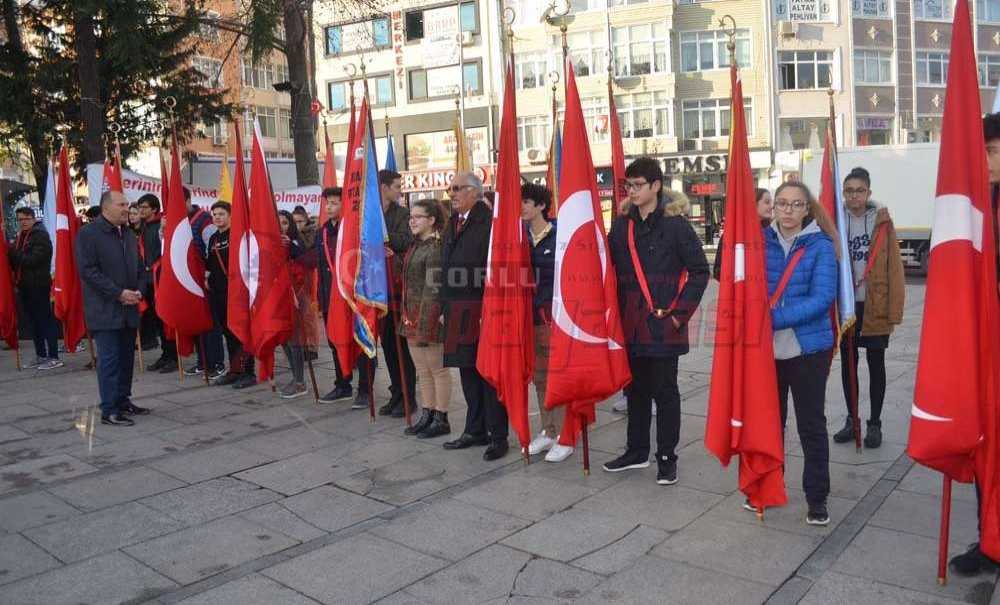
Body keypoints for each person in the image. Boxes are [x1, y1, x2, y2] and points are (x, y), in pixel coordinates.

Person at [603, 157, 710, 484]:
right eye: (628, 186)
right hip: (631, 324)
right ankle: (636, 451)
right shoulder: (622, 224)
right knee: (634, 391)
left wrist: (679, 315)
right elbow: (609, 267)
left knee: (665, 392)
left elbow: (700, 271)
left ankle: (666, 457)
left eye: (638, 185)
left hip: (665, 324)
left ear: (655, 186)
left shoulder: (675, 224)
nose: (632, 191)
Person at [764, 181, 838, 526]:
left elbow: (822, 299)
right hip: (767, 350)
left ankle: (817, 498)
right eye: (782, 203)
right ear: (773, 207)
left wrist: (771, 318)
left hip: (808, 348)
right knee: (769, 424)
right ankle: (770, 486)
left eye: (796, 204)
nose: (788, 210)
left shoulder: (821, 245)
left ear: (807, 209)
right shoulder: (760, 241)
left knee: (810, 425)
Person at [949, 113, 1000, 576]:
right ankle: (990, 539)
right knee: (985, 442)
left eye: (990, 151)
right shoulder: (978, 205)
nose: (983, 161)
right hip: (986, 348)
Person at [832, 167, 905, 449]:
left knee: (876, 364)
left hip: (875, 304)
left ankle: (875, 423)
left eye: (859, 190)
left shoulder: (882, 222)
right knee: (848, 364)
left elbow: (894, 268)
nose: (854, 196)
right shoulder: (837, 222)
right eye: (849, 191)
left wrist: (894, 309)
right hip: (848, 306)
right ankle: (853, 420)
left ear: (869, 193)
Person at [441, 172, 509, 461]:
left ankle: (498, 435)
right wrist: (445, 308)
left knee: (489, 375)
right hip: (457, 311)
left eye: (457, 189)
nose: (452, 194)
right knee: (468, 372)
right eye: (450, 189)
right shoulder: (453, 222)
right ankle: (475, 429)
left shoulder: (489, 223)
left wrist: (488, 310)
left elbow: (495, 271)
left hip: (482, 311)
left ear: (475, 191)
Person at [75, 191, 149, 426]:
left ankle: (123, 400)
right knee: (109, 360)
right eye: (122, 204)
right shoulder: (89, 233)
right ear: (106, 208)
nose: (127, 208)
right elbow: (88, 271)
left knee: (127, 359)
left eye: (127, 204)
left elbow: (139, 267)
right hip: (105, 310)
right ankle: (109, 409)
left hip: (129, 308)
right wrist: (118, 293)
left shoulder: (127, 233)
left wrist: (139, 290)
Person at [521, 183, 575, 463]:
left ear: (542, 205)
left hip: (554, 319)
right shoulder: (519, 237)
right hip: (528, 319)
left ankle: (566, 435)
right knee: (539, 378)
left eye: (527, 201)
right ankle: (548, 429)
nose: (522, 207)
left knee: (559, 377)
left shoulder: (559, 236)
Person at [314, 187, 376, 407]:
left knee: (361, 341)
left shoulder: (353, 230)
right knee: (335, 341)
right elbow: (319, 266)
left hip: (353, 297)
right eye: (327, 203)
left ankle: (365, 389)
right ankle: (343, 384)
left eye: (334, 202)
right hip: (330, 297)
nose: (329, 207)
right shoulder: (321, 232)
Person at [399, 199, 452, 439]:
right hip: (411, 316)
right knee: (422, 369)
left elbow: (433, 289)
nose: (412, 220)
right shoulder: (416, 245)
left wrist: (425, 324)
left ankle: (441, 417)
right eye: (411, 216)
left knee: (437, 369)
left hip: (427, 318)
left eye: (418, 216)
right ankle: (428, 413)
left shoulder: (436, 248)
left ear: (432, 220)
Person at [377, 169, 417, 418]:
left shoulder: (402, 214)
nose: (399, 190)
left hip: (397, 287)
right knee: (388, 347)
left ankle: (408, 396)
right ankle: (396, 392)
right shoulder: (369, 213)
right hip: (377, 287)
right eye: (396, 186)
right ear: (383, 187)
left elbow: (405, 241)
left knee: (402, 346)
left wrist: (382, 237)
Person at [205, 202, 256, 388]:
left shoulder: (239, 236)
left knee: (241, 333)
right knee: (228, 333)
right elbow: (209, 265)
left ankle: (248, 372)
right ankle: (235, 370)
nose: (217, 217)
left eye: (221, 214)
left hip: (236, 293)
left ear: (230, 215)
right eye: (214, 214)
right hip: (218, 294)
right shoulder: (213, 239)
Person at [9, 206, 62, 369]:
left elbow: (33, 260)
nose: (22, 222)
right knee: (33, 322)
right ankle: (41, 354)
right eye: (19, 219)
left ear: (33, 218)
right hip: (25, 285)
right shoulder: (22, 236)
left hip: (38, 284)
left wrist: (12, 253)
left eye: (25, 218)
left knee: (45, 320)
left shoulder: (40, 235)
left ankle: (53, 356)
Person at [183, 189, 224, 378]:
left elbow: (211, 254)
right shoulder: (177, 220)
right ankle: (203, 361)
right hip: (189, 279)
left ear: (188, 200)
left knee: (211, 323)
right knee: (198, 321)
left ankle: (216, 362)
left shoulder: (205, 221)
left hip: (206, 280)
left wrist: (207, 275)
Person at [138, 194, 175, 368]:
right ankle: (165, 354)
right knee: (157, 319)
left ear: (154, 209)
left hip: (160, 278)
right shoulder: (146, 227)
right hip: (149, 280)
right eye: (140, 207)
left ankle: (173, 356)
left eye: (144, 207)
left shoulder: (161, 226)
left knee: (166, 318)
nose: (141, 210)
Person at [277, 210, 309, 399]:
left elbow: (305, 266)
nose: (281, 226)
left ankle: (300, 382)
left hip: (296, 297)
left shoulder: (295, 244)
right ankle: (295, 377)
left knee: (294, 340)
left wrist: (289, 248)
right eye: (278, 223)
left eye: (285, 223)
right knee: (283, 339)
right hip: (278, 298)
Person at [712, 188, 773, 280]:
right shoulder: (734, 234)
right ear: (753, 203)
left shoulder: (772, 233)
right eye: (767, 202)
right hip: (743, 290)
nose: (772, 206)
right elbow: (718, 271)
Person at [291, 205, 322, 362]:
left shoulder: (313, 234)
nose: (297, 225)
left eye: (300, 221)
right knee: (297, 315)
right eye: (294, 221)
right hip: (293, 278)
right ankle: (300, 344)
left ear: (306, 220)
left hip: (308, 277)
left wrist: (295, 252)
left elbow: (312, 258)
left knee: (309, 313)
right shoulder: (290, 236)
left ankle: (311, 346)